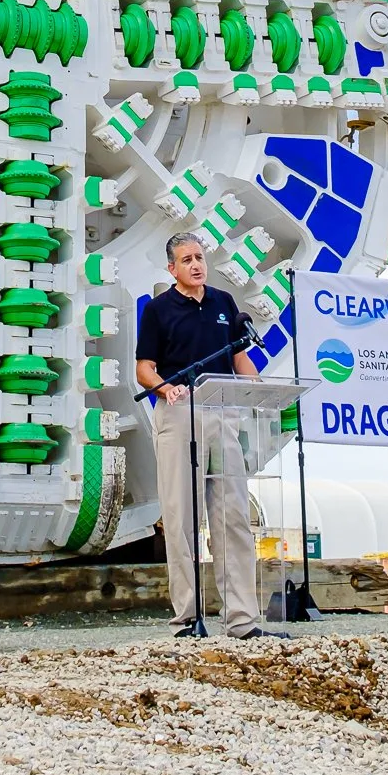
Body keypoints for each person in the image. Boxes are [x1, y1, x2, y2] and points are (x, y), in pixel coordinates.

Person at [135, 231, 264, 638]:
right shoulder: (159, 309)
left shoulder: (225, 303)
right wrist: (165, 387)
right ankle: (188, 618)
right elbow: (145, 367)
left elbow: (239, 356)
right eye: (187, 259)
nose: (196, 264)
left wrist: (259, 390)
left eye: (200, 257)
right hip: (178, 413)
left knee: (234, 518)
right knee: (181, 518)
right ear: (172, 268)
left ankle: (242, 620)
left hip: (223, 413)